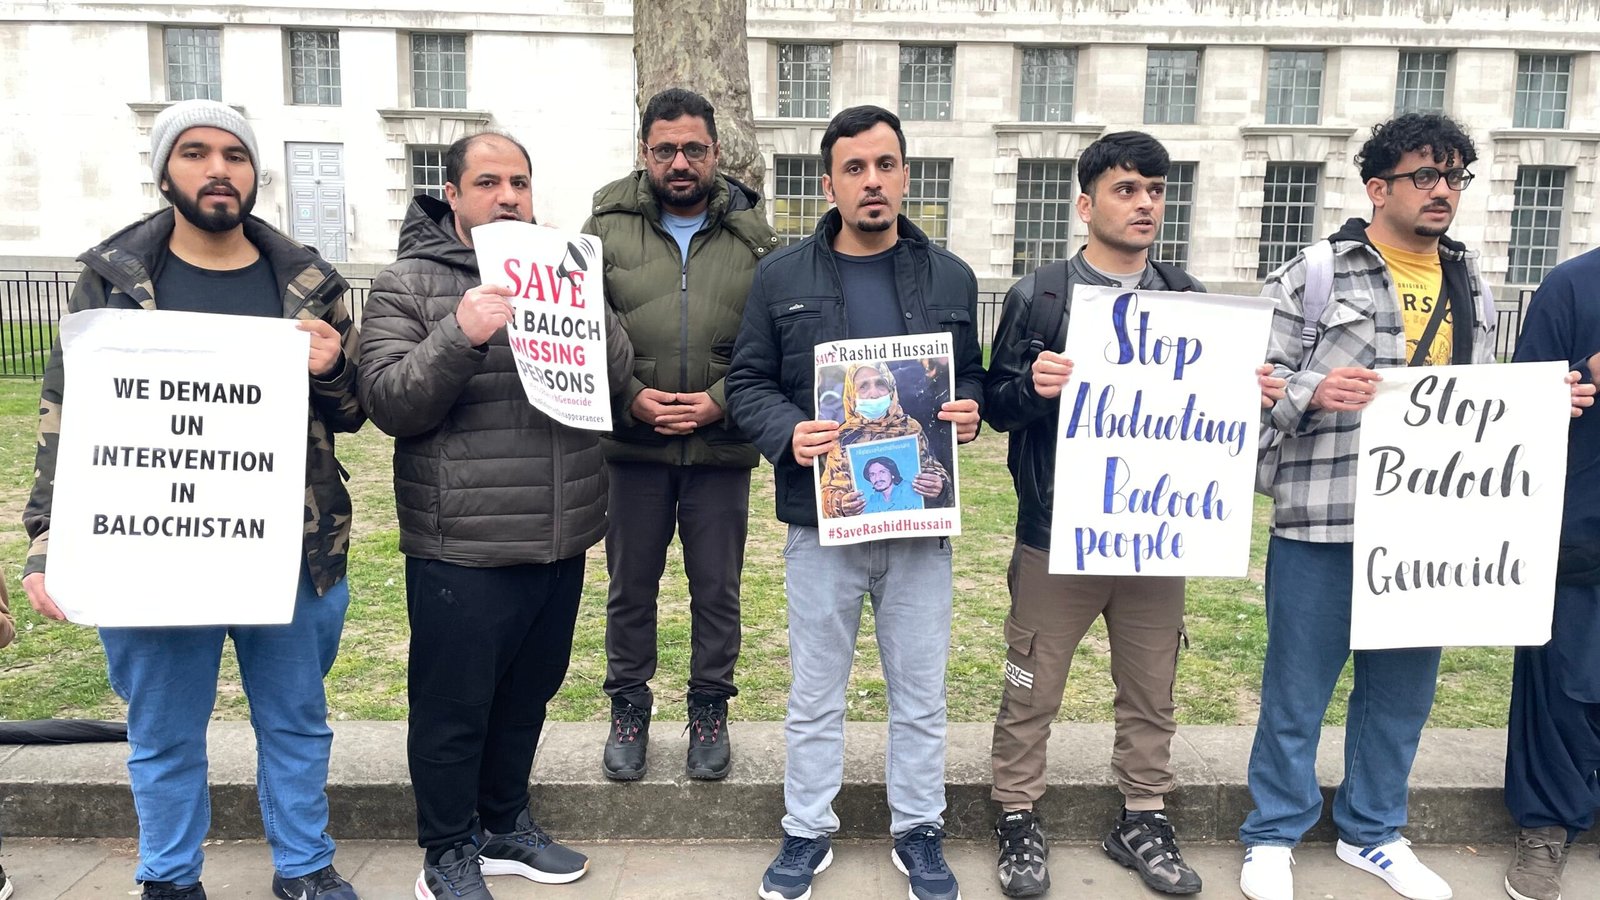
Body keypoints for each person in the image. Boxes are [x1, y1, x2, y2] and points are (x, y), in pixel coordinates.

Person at [1241, 112, 1591, 900]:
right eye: (1425, 176)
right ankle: (1272, 832)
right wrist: (1311, 389)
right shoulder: (1315, 274)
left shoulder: (1471, 284)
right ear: (1378, 187)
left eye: (1456, 178)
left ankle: (1374, 830)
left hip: (1431, 530)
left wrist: (1540, 403)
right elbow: (1245, 381)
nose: (1443, 192)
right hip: (1324, 515)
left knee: (1401, 695)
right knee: (1298, 688)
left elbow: (1476, 402)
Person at [20, 99, 364, 900]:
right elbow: (65, 416)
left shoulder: (311, 282)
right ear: (165, 170)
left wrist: (335, 369)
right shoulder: (113, 283)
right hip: (153, 547)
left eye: (235, 156)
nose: (219, 171)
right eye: (196, 154)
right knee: (163, 732)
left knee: (297, 723)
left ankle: (305, 868)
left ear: (253, 173)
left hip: (290, 548)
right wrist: (48, 541)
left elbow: (354, 414)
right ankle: (170, 879)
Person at [358, 131, 632, 900]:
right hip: (463, 543)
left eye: (519, 181)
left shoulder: (566, 266)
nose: (507, 196)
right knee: (453, 709)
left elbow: (616, 376)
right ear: (453, 194)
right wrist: (461, 333)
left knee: (526, 697)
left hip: (561, 532)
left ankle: (505, 824)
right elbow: (389, 401)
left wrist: (585, 298)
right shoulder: (407, 284)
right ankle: (446, 850)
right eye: (487, 182)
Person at [727, 104, 983, 900]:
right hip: (821, 520)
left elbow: (967, 375)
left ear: (906, 173)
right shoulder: (780, 278)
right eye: (855, 168)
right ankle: (806, 830)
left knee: (920, 692)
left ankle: (919, 828)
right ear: (829, 180)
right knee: (814, 692)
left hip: (918, 521)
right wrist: (788, 430)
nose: (873, 182)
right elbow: (746, 383)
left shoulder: (951, 276)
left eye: (886, 165)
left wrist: (968, 411)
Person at [984, 131, 1230, 898]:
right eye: (1128, 189)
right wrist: (1034, 387)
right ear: (1087, 204)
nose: (1147, 203)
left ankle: (1143, 813)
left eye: (1156, 190)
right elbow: (995, 405)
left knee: (1153, 690)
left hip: (1155, 536)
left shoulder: (1189, 300)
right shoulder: (1042, 295)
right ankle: (1018, 815)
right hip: (1057, 532)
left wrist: (1239, 391)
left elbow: (1207, 416)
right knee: (1032, 686)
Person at [584, 88, 777, 782]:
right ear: (644, 153)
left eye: (694, 148)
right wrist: (631, 398)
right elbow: (581, 333)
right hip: (631, 450)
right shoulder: (603, 227)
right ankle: (628, 708)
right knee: (630, 588)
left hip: (720, 451)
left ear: (716, 153)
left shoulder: (755, 236)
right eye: (665, 149)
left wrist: (718, 403)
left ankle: (708, 710)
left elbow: (773, 341)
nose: (680, 161)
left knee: (717, 590)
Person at [1500, 245, 1600, 900]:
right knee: (1565, 684)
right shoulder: (1570, 286)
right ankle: (1546, 825)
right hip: (1576, 525)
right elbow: (1513, 406)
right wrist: (1582, 374)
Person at [818, 362, 950, 517]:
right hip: (860, 534)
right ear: (851, 394)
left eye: (880, 384)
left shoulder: (911, 428)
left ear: (891, 389)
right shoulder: (843, 438)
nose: (873, 393)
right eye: (863, 386)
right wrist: (841, 504)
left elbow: (933, 469)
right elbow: (828, 491)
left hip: (909, 529)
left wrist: (939, 485)